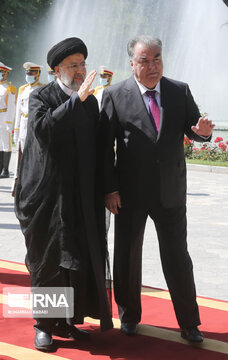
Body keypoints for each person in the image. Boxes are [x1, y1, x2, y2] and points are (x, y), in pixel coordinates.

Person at [100, 35, 215, 342]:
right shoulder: (114, 94)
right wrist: (109, 189)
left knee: (178, 257)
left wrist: (202, 134)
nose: (152, 66)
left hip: (170, 192)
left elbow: (195, 126)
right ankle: (129, 316)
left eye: (157, 59)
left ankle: (190, 323)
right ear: (132, 63)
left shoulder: (179, 90)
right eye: (144, 60)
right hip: (129, 194)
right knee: (126, 256)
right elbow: (103, 147)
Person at [14, 37, 113, 352]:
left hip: (81, 195)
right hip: (48, 197)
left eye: (82, 64)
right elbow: (44, 132)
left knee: (77, 258)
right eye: (73, 65)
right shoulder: (41, 96)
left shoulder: (91, 102)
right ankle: (44, 325)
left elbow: (100, 149)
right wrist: (74, 102)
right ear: (57, 69)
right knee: (50, 260)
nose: (80, 70)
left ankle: (67, 321)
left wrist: (108, 188)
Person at [11, 62, 43, 195]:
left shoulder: (42, 89)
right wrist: (16, 130)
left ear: (38, 74)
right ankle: (18, 186)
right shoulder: (22, 89)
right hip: (23, 123)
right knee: (21, 155)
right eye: (27, 73)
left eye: (31, 73)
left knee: (34, 156)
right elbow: (18, 111)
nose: (29, 75)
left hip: (33, 123)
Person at [0, 62, 17, 178]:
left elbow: (11, 107)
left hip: (4, 116)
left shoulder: (10, 88)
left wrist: (9, 123)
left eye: (1, 72)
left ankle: (5, 170)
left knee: (6, 144)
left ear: (6, 73)